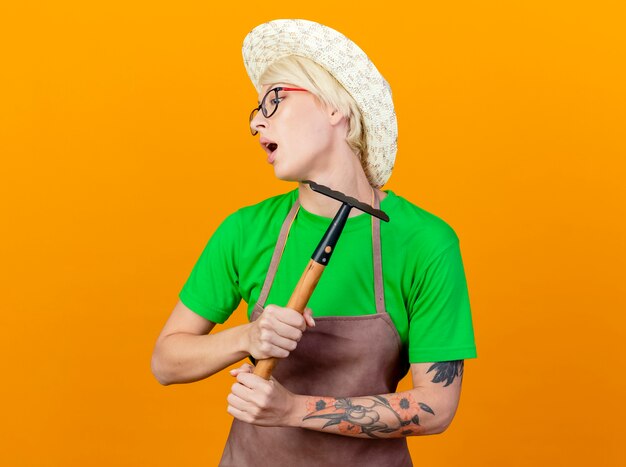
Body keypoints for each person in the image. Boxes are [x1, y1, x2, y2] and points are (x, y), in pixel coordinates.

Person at [151, 18, 477, 467]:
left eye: (274, 101)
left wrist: (292, 409)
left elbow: (436, 408)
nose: (255, 123)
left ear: (333, 106)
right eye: (254, 109)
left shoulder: (424, 242)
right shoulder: (247, 230)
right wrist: (249, 336)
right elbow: (166, 362)